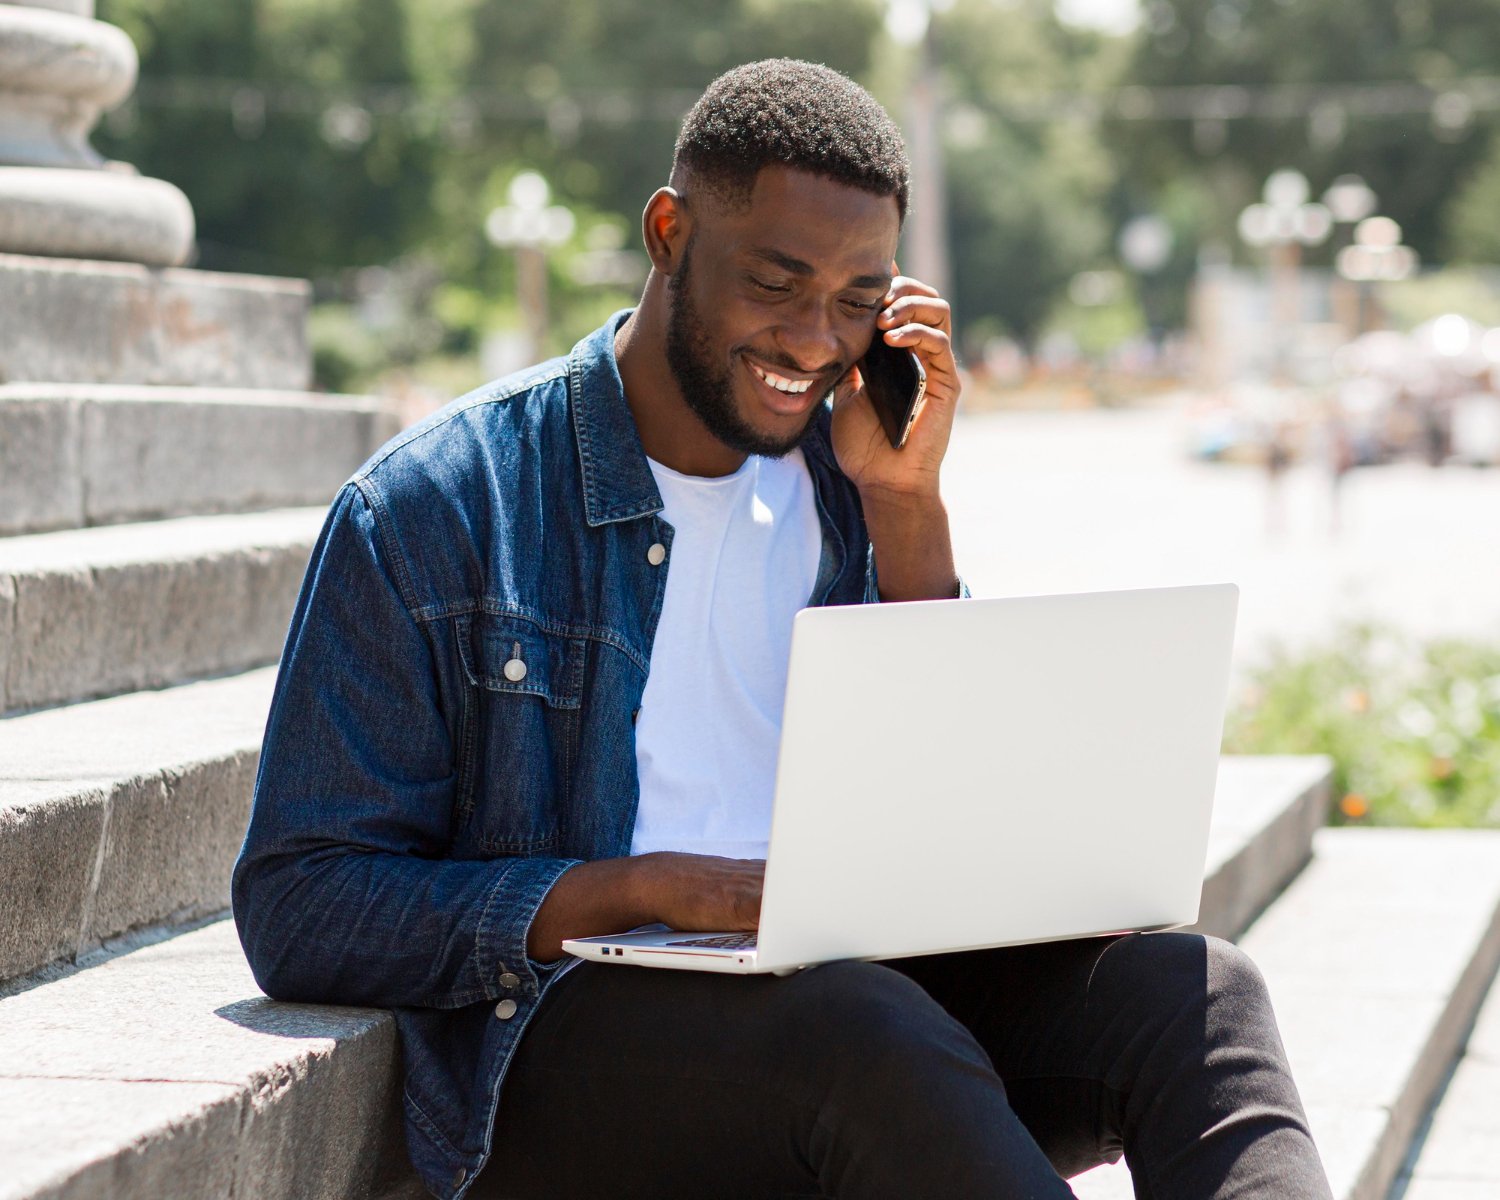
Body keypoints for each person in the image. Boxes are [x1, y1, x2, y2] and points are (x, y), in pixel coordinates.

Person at [233, 59, 1332, 1200]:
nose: (815, 340)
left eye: (859, 298)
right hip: (569, 1048)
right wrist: (647, 888)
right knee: (861, 1031)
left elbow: (933, 809)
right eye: (777, 281)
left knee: (1195, 993)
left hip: (860, 1009)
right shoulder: (441, 505)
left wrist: (908, 507)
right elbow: (302, 902)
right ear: (669, 234)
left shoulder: (851, 480)